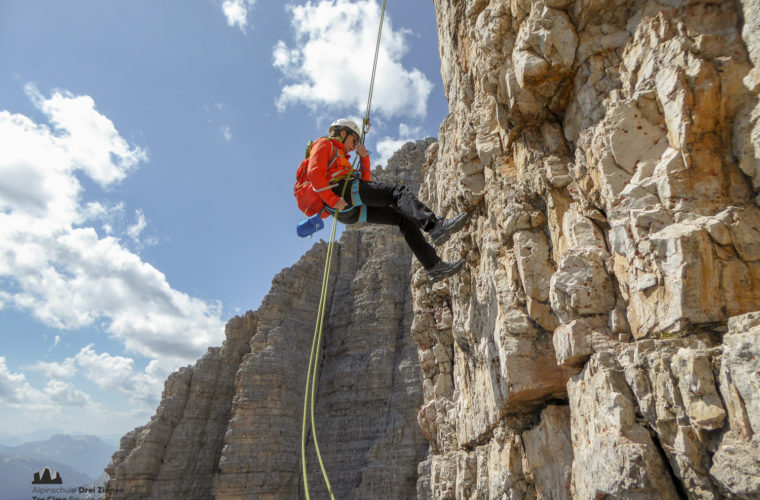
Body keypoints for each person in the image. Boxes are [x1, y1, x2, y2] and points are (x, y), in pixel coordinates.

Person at [307, 118, 467, 283]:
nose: (354, 146)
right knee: (397, 192)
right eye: (354, 140)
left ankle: (434, 266)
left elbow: (365, 181)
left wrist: (363, 158)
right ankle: (435, 226)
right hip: (342, 194)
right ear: (342, 133)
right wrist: (332, 200)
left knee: (403, 218)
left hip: (348, 209)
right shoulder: (324, 143)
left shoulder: (340, 155)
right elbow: (314, 174)